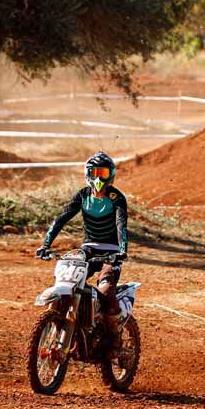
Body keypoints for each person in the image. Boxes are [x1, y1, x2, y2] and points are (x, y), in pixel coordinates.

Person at [37, 151, 129, 358]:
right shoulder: (82, 195)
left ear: (111, 175)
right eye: (94, 172)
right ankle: (65, 322)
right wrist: (45, 244)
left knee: (106, 289)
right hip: (87, 249)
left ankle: (114, 338)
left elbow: (121, 224)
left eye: (103, 172)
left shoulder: (117, 198)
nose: (98, 178)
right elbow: (61, 219)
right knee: (67, 278)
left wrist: (122, 250)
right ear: (87, 173)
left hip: (112, 252)